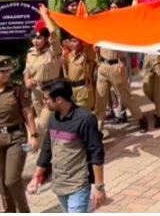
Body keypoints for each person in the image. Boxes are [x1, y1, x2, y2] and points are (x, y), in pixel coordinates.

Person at [28, 80, 107, 213]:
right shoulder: (53, 118)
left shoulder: (85, 119)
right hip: (60, 184)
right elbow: (47, 150)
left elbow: (96, 153)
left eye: (47, 99)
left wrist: (99, 187)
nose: (44, 102)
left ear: (59, 99)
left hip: (78, 184)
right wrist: (36, 177)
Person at [0, 55, 39, 213]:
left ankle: (24, 211)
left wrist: (34, 135)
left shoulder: (17, 89)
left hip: (16, 137)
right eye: (1, 72)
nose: (5, 75)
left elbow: (28, 113)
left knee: (12, 179)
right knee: (2, 182)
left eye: (8, 71)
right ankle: (9, 210)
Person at [23, 6, 64, 137]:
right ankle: (51, 148)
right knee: (48, 125)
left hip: (51, 91)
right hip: (36, 92)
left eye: (39, 38)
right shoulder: (30, 53)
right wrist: (27, 80)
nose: (35, 41)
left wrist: (45, 16)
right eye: (33, 38)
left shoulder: (53, 51)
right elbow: (27, 70)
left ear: (46, 39)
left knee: (42, 124)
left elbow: (53, 33)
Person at [62, 31, 96, 111]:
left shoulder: (87, 54)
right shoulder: (70, 55)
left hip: (83, 89)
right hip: (72, 90)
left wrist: (80, 31)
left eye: (75, 41)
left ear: (81, 43)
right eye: (71, 41)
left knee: (83, 115)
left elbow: (88, 44)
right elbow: (66, 74)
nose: (72, 43)